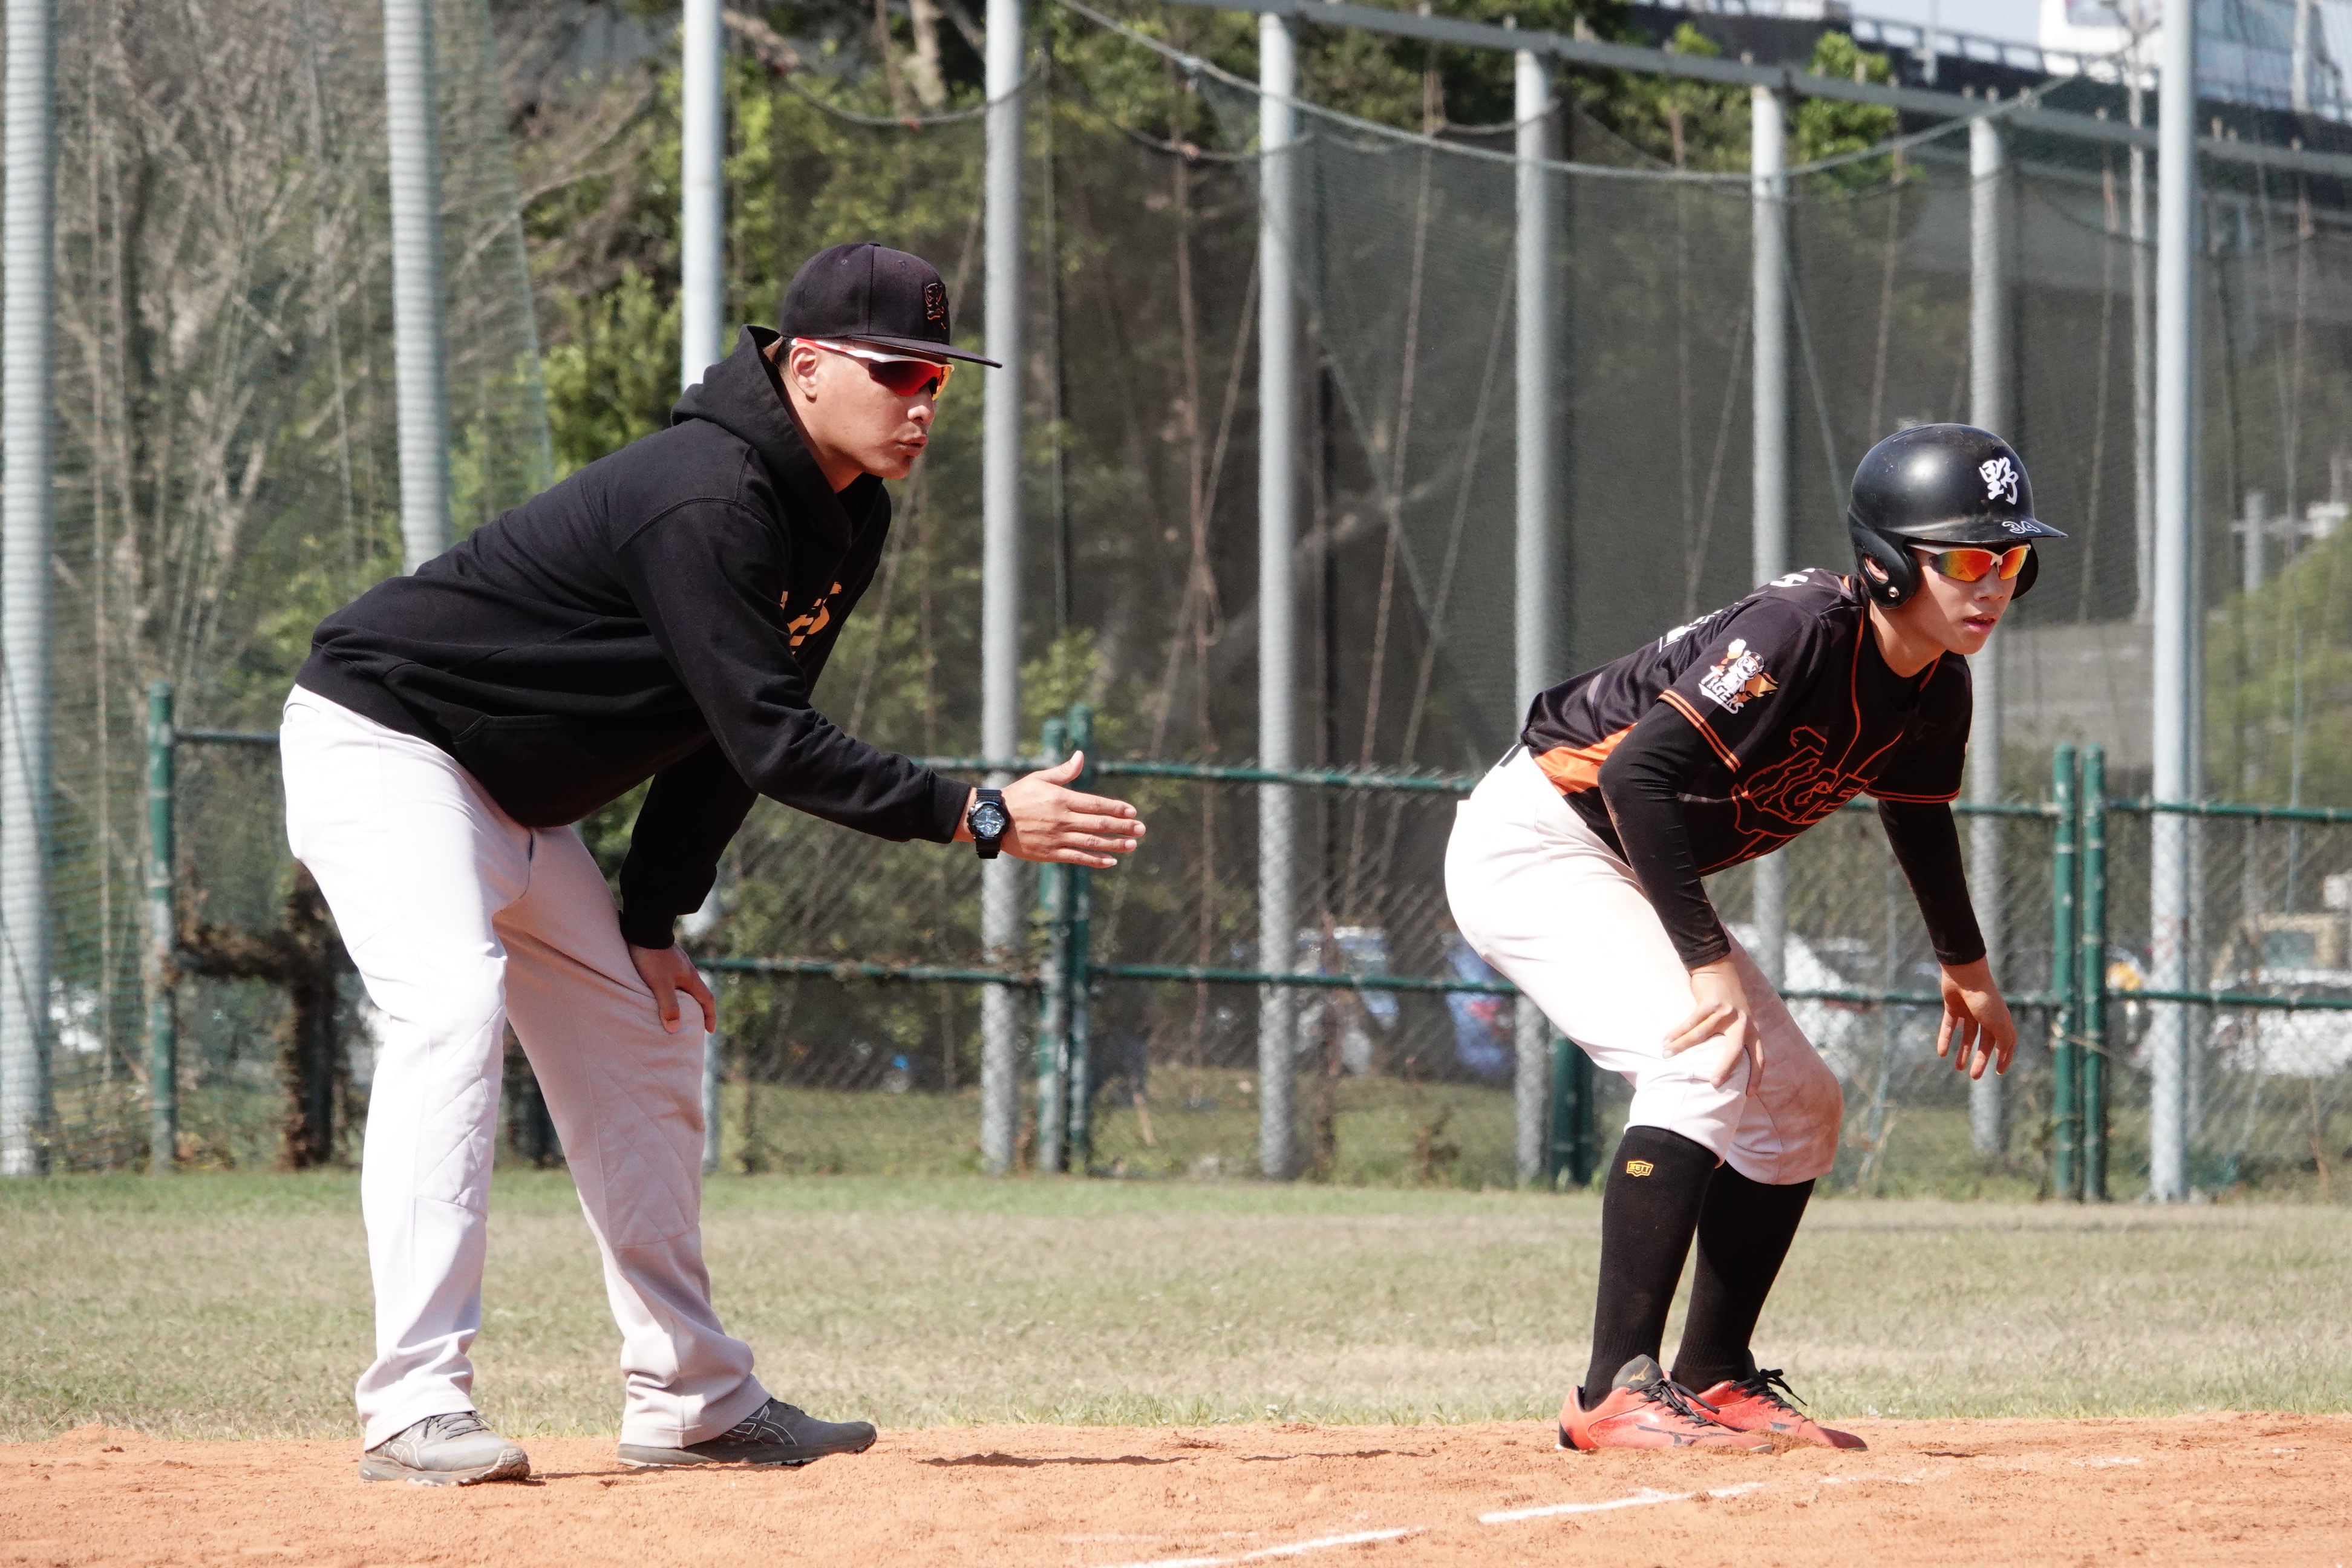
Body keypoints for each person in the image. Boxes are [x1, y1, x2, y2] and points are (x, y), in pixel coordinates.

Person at [282, 242, 1146, 1485]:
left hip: (518, 801)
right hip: (387, 743)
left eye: (939, 379)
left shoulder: (847, 515)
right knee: (451, 1010)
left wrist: (650, 917)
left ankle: (691, 1398)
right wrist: (979, 814)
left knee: (648, 1034)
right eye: (896, 370)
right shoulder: (709, 496)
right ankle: (414, 1408)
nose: (921, 400)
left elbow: (728, 732)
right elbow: (774, 739)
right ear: (807, 366)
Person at [1445, 425, 2060, 1452]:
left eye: (2011, 560)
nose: (1992, 584)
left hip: (1622, 861)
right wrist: (1704, 962)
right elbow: (1636, 774)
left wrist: (1968, 969)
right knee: (1702, 1059)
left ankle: (1716, 1375)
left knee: (1799, 1106)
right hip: (1540, 840)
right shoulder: (1798, 631)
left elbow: (1916, 813)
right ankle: (1609, 1392)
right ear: (1887, 562)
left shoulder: (1936, 683)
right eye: (1964, 560)